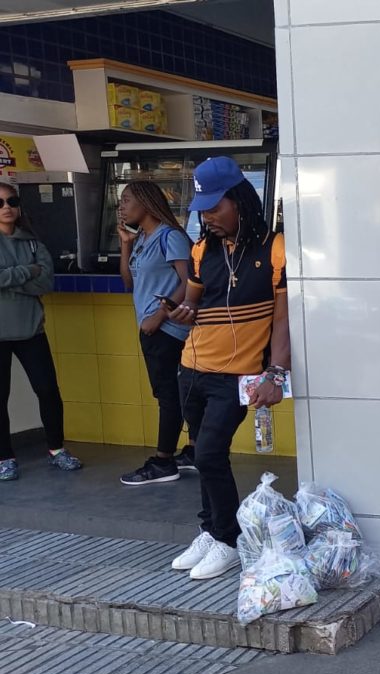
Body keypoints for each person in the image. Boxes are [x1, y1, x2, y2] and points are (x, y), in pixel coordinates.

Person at [166, 157, 291, 580]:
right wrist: (183, 310)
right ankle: (210, 528)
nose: (207, 216)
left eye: (215, 206)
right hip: (192, 369)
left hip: (237, 377)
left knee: (209, 453)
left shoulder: (275, 249)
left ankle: (228, 538)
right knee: (203, 455)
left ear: (240, 200)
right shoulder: (203, 250)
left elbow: (282, 320)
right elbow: (193, 299)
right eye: (202, 208)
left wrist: (277, 373)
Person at [115, 181, 197, 486]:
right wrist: (125, 244)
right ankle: (194, 451)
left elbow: (190, 282)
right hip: (150, 328)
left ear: (147, 203)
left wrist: (160, 315)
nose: (121, 207)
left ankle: (164, 461)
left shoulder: (170, 236)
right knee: (175, 392)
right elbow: (128, 282)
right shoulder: (143, 239)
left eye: (127, 201)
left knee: (168, 394)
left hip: (168, 330)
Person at [0, 181, 81, 481]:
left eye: (12, 201)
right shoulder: (30, 253)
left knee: (47, 390)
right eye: (1, 203)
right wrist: (26, 272)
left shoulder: (33, 242)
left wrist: (8, 279)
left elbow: (45, 282)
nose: (7, 207)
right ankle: (5, 457)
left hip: (31, 329)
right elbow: (33, 276)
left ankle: (57, 450)